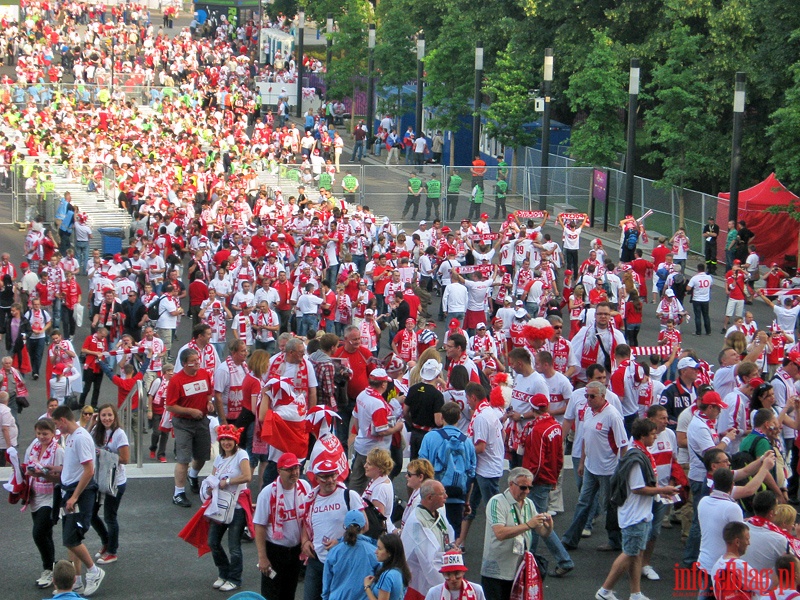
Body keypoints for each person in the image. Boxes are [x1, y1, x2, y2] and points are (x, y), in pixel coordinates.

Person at [595, 418, 680, 600]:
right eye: (652, 434)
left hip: (641, 512)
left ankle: (635, 593)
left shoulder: (640, 453)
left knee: (637, 554)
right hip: (634, 514)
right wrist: (663, 489)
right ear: (642, 436)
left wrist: (660, 493)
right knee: (630, 553)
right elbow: (637, 487)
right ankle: (605, 591)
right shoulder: (636, 458)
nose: (655, 437)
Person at [561, 380, 628, 551]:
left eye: (592, 396)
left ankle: (616, 540)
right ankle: (571, 538)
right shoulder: (589, 413)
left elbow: (623, 445)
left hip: (608, 470)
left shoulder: (613, 415)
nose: (588, 399)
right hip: (591, 467)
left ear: (602, 396)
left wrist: (621, 469)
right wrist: (582, 461)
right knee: (583, 502)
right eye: (586, 396)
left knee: (609, 506)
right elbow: (585, 438)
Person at [51, 405, 105, 597]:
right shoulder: (72, 437)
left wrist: (74, 497)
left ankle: (94, 571)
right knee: (70, 538)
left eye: (57, 424)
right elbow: (73, 466)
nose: (57, 428)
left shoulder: (80, 438)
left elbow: (89, 470)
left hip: (79, 494)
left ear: (63, 420)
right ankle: (77, 580)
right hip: (71, 492)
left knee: (71, 538)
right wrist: (56, 469)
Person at [480, 467, 554, 599]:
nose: (527, 492)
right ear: (511, 484)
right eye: (523, 487)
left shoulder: (528, 503)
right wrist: (527, 525)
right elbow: (500, 533)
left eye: (529, 488)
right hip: (496, 571)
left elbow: (542, 532)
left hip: (520, 569)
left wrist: (549, 527)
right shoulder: (497, 502)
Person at [302, 460, 367, 600]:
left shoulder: (349, 496)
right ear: (317, 478)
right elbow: (306, 523)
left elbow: (364, 525)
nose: (330, 480)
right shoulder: (311, 500)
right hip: (317, 560)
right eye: (325, 477)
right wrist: (305, 541)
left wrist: (341, 542)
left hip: (343, 561)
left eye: (333, 475)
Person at [254, 452, 311, 600]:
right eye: (290, 469)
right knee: (271, 594)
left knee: (289, 592)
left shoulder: (304, 487)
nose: (295, 472)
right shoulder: (267, 493)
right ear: (279, 471)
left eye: (296, 468)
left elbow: (308, 518)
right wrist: (262, 558)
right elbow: (259, 526)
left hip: (295, 551)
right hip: (275, 551)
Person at [206, 424, 252, 592]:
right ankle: (223, 572)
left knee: (234, 546)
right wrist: (210, 487)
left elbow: (247, 476)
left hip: (237, 506)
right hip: (220, 505)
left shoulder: (242, 455)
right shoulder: (219, 458)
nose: (226, 442)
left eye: (229, 439)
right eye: (223, 439)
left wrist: (228, 482)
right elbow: (213, 477)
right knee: (213, 541)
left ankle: (234, 578)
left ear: (235, 441)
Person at [419, 402, 477, 539]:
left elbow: (422, 467)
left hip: (433, 495)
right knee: (453, 535)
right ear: (459, 418)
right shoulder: (467, 442)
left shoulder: (430, 437)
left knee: (431, 533)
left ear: (442, 417)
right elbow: (471, 474)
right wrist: (466, 501)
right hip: (457, 496)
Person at [458, 382, 504, 548]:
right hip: (483, 469)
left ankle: (500, 546)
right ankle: (460, 542)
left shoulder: (482, 417)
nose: (467, 402)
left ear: (473, 397)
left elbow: (481, 447)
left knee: (495, 511)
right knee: (469, 506)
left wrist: (462, 449)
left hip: (487, 471)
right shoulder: (488, 412)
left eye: (467, 399)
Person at [166, 347, 213, 508]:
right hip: (183, 423)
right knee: (184, 458)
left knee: (203, 455)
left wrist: (208, 402)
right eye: (193, 362)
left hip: (201, 421)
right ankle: (178, 492)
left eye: (198, 360)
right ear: (185, 364)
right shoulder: (176, 381)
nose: (197, 363)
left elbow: (208, 392)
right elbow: (170, 406)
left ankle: (193, 476)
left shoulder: (204, 374)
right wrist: (190, 411)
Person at [23, 417, 64, 589]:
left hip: (51, 497)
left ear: (53, 433)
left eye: (45, 433)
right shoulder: (33, 446)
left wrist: (42, 474)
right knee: (45, 534)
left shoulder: (59, 451)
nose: (41, 437)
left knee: (38, 533)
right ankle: (52, 567)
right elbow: (25, 464)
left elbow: (64, 476)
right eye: (39, 433)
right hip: (35, 495)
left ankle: (48, 568)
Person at [351, 368, 405, 493]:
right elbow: (381, 431)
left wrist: (362, 434)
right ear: (383, 384)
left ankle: (352, 503)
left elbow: (356, 419)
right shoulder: (377, 404)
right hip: (375, 451)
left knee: (357, 480)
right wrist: (398, 427)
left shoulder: (362, 395)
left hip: (361, 445)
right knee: (376, 483)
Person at [90, 404, 130, 566]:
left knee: (109, 517)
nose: (106, 418)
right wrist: (91, 423)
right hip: (98, 479)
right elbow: (83, 441)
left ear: (115, 416)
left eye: (110, 415)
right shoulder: (96, 431)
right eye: (103, 415)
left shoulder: (119, 434)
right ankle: (106, 541)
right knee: (91, 514)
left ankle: (112, 551)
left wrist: (104, 454)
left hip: (115, 481)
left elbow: (125, 459)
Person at [401, 479, 455, 600]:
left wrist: (451, 547)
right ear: (430, 498)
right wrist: (447, 584)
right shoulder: (417, 522)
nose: (446, 496)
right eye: (442, 494)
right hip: (422, 581)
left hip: (441, 567)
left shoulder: (437, 512)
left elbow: (448, 534)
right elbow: (429, 562)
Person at [322, 509, 380, 600]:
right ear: (364, 526)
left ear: (344, 526)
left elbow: (327, 581)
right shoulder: (374, 551)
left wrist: (326, 597)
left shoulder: (334, 551)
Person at [710, 521, 764, 600]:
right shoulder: (739, 566)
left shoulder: (716, 565)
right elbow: (764, 587)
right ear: (737, 542)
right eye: (747, 539)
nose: (748, 543)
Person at [405, 358, 445, 459]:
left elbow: (405, 412)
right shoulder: (437, 395)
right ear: (437, 375)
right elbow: (438, 421)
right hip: (429, 435)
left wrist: (412, 423)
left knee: (414, 464)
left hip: (414, 433)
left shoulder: (413, 389)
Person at [364, 533, 411, 600]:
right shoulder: (401, 571)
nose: (376, 552)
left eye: (379, 549)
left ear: (389, 553)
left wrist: (367, 587)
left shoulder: (387, 575)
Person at [363, 448, 396, 534]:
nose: (365, 466)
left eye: (369, 464)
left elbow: (377, 520)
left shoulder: (379, 489)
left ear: (379, 468)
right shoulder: (381, 480)